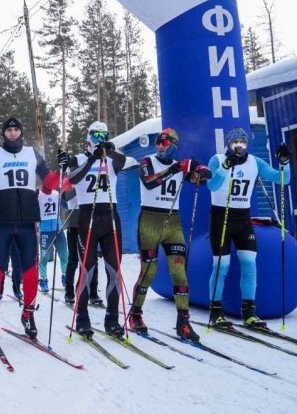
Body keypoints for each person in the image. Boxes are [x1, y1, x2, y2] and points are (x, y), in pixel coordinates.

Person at [0, 116, 49, 341]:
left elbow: (52, 183)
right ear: (3, 133)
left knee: (30, 270)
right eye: (9, 130)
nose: (13, 133)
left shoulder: (32, 153)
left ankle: (28, 313)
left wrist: (62, 166)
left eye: (16, 129)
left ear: (21, 132)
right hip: (2, 221)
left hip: (27, 220)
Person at [205, 128, 291, 328]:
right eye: (234, 142)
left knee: (249, 264)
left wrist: (285, 163)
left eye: (242, 142)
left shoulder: (255, 162)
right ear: (228, 143)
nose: (239, 145)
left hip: (243, 219)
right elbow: (213, 185)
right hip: (221, 216)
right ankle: (216, 311)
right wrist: (226, 166)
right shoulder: (217, 159)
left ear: (247, 144)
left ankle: (249, 312)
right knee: (221, 265)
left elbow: (283, 180)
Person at [128, 128, 208, 341]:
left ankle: (183, 321)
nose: (160, 145)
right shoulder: (147, 161)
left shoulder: (179, 166)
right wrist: (177, 168)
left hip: (173, 222)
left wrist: (201, 171)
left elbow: (201, 179)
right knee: (149, 271)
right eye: (158, 142)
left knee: (179, 273)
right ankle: (135, 314)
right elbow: (150, 182)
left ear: (174, 145)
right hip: (149, 222)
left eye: (165, 142)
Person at [58, 121, 128, 337]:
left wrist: (109, 150)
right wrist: (92, 159)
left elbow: (122, 161)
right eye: (95, 135)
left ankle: (112, 319)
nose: (99, 139)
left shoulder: (113, 159)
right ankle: (82, 317)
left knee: (114, 272)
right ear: (88, 137)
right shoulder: (78, 159)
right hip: (88, 218)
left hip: (110, 217)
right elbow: (73, 177)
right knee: (87, 271)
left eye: (103, 135)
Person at [37, 172, 70, 294]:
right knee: (44, 257)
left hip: (58, 228)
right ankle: (43, 279)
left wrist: (66, 194)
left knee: (64, 254)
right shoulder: (38, 195)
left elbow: (66, 207)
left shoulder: (57, 194)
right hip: (45, 230)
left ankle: (66, 276)